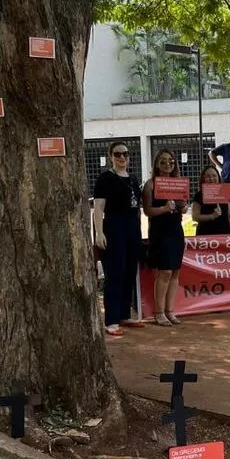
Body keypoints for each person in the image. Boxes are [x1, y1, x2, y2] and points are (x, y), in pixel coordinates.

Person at [93, 142, 144, 337]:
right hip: (114, 228)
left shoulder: (133, 178)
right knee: (115, 273)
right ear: (110, 156)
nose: (122, 157)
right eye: (117, 154)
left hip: (133, 229)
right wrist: (99, 233)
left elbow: (136, 206)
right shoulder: (106, 178)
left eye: (125, 154)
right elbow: (98, 208)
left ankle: (124, 314)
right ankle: (111, 320)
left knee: (130, 272)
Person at [143, 149, 187, 327]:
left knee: (175, 271)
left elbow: (182, 208)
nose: (167, 164)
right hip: (160, 232)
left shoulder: (178, 183)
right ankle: (158, 312)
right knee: (165, 272)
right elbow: (147, 211)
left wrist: (182, 208)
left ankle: (170, 311)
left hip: (176, 230)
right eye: (163, 161)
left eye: (171, 161)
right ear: (156, 164)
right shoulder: (150, 185)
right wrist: (164, 209)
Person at [192, 165, 230, 236]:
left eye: (214, 176)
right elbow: (195, 217)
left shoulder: (224, 192)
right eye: (208, 176)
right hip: (206, 236)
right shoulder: (199, 195)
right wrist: (212, 216)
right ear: (203, 179)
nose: (211, 179)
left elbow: (229, 216)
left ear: (218, 177)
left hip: (225, 235)